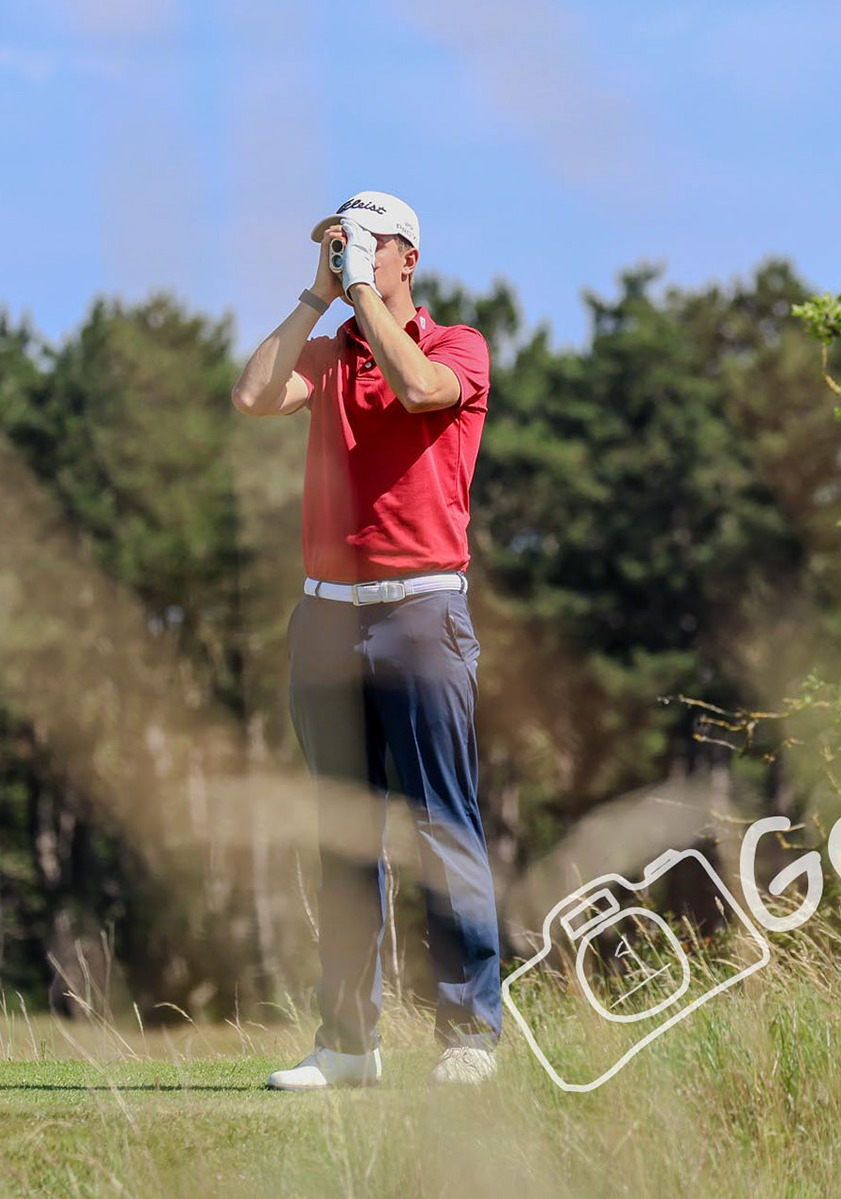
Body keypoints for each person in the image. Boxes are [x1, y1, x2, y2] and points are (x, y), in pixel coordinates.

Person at [231, 191, 502, 1087]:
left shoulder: (455, 345)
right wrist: (320, 296)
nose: (348, 257)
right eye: (335, 244)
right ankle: (348, 1045)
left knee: (440, 826)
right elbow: (254, 395)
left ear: (406, 258)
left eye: (362, 246)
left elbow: (423, 391)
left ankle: (470, 1037)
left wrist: (369, 306)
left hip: (421, 614)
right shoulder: (326, 350)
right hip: (326, 615)